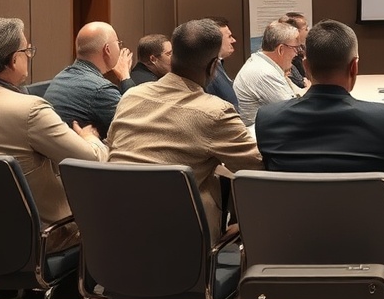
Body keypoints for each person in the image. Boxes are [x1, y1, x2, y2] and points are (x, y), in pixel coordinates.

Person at [0, 18, 107, 254]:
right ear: (12, 59)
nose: (29, 56)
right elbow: (92, 162)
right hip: (39, 238)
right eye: (26, 50)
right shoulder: (29, 110)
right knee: (108, 212)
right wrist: (90, 137)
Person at [107, 18, 263, 237]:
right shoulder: (215, 112)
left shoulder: (131, 96)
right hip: (177, 241)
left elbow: (110, 150)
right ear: (212, 66)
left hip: (112, 231)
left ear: (173, 57)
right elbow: (258, 169)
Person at [255, 20, 384, 197]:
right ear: (354, 67)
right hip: (366, 225)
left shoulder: (268, 119)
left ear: (306, 67)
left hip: (292, 224)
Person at [44, 21, 134, 138]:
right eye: (118, 43)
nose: (120, 47)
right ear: (107, 50)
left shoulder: (61, 76)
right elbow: (136, 126)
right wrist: (125, 77)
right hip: (80, 155)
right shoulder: (101, 90)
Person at [233, 21, 301, 126]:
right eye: (295, 48)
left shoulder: (260, 61)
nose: (297, 53)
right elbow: (295, 112)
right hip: (259, 137)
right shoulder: (265, 73)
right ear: (281, 49)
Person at [204, 16, 240, 111]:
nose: (233, 40)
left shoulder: (217, 63)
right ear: (216, 41)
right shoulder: (209, 72)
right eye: (229, 37)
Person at [281, 12, 309, 88]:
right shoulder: (287, 53)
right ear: (295, 31)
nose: (308, 31)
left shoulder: (302, 48)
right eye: (305, 28)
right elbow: (302, 84)